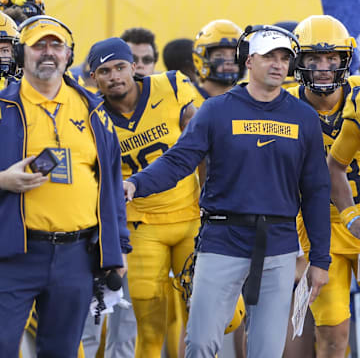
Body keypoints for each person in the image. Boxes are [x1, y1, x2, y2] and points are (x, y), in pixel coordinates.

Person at [123, 25, 331, 358]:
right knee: (202, 341)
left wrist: (320, 257)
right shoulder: (217, 110)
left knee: (267, 349)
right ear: (249, 61)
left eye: (284, 58)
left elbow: (317, 190)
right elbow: (179, 160)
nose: (278, 64)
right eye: (269, 57)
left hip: (278, 240)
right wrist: (136, 183)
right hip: (223, 237)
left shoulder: (303, 117)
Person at [0, 15, 130, 357]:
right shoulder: (3, 106)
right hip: (13, 252)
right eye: (39, 44)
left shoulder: (93, 108)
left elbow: (110, 183)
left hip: (76, 254)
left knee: (61, 351)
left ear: (69, 54)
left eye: (56, 45)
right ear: (21, 53)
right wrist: (3, 181)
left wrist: (115, 251)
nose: (48, 52)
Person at [88, 37, 200, 358]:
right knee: (149, 330)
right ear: (94, 77)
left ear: (134, 67)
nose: (115, 76)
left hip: (190, 216)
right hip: (141, 227)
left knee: (222, 319)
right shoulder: (93, 114)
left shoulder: (172, 86)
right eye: (105, 71)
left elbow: (203, 146)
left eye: (120, 67)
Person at [288, 14, 360, 358]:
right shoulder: (281, 105)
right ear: (297, 61)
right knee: (332, 333)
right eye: (313, 59)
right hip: (318, 228)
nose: (324, 67)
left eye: (332, 58)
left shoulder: (359, 94)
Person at [192, 19, 245, 108]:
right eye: (219, 55)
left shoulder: (248, 102)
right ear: (202, 58)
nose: (229, 61)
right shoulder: (186, 99)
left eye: (235, 55)